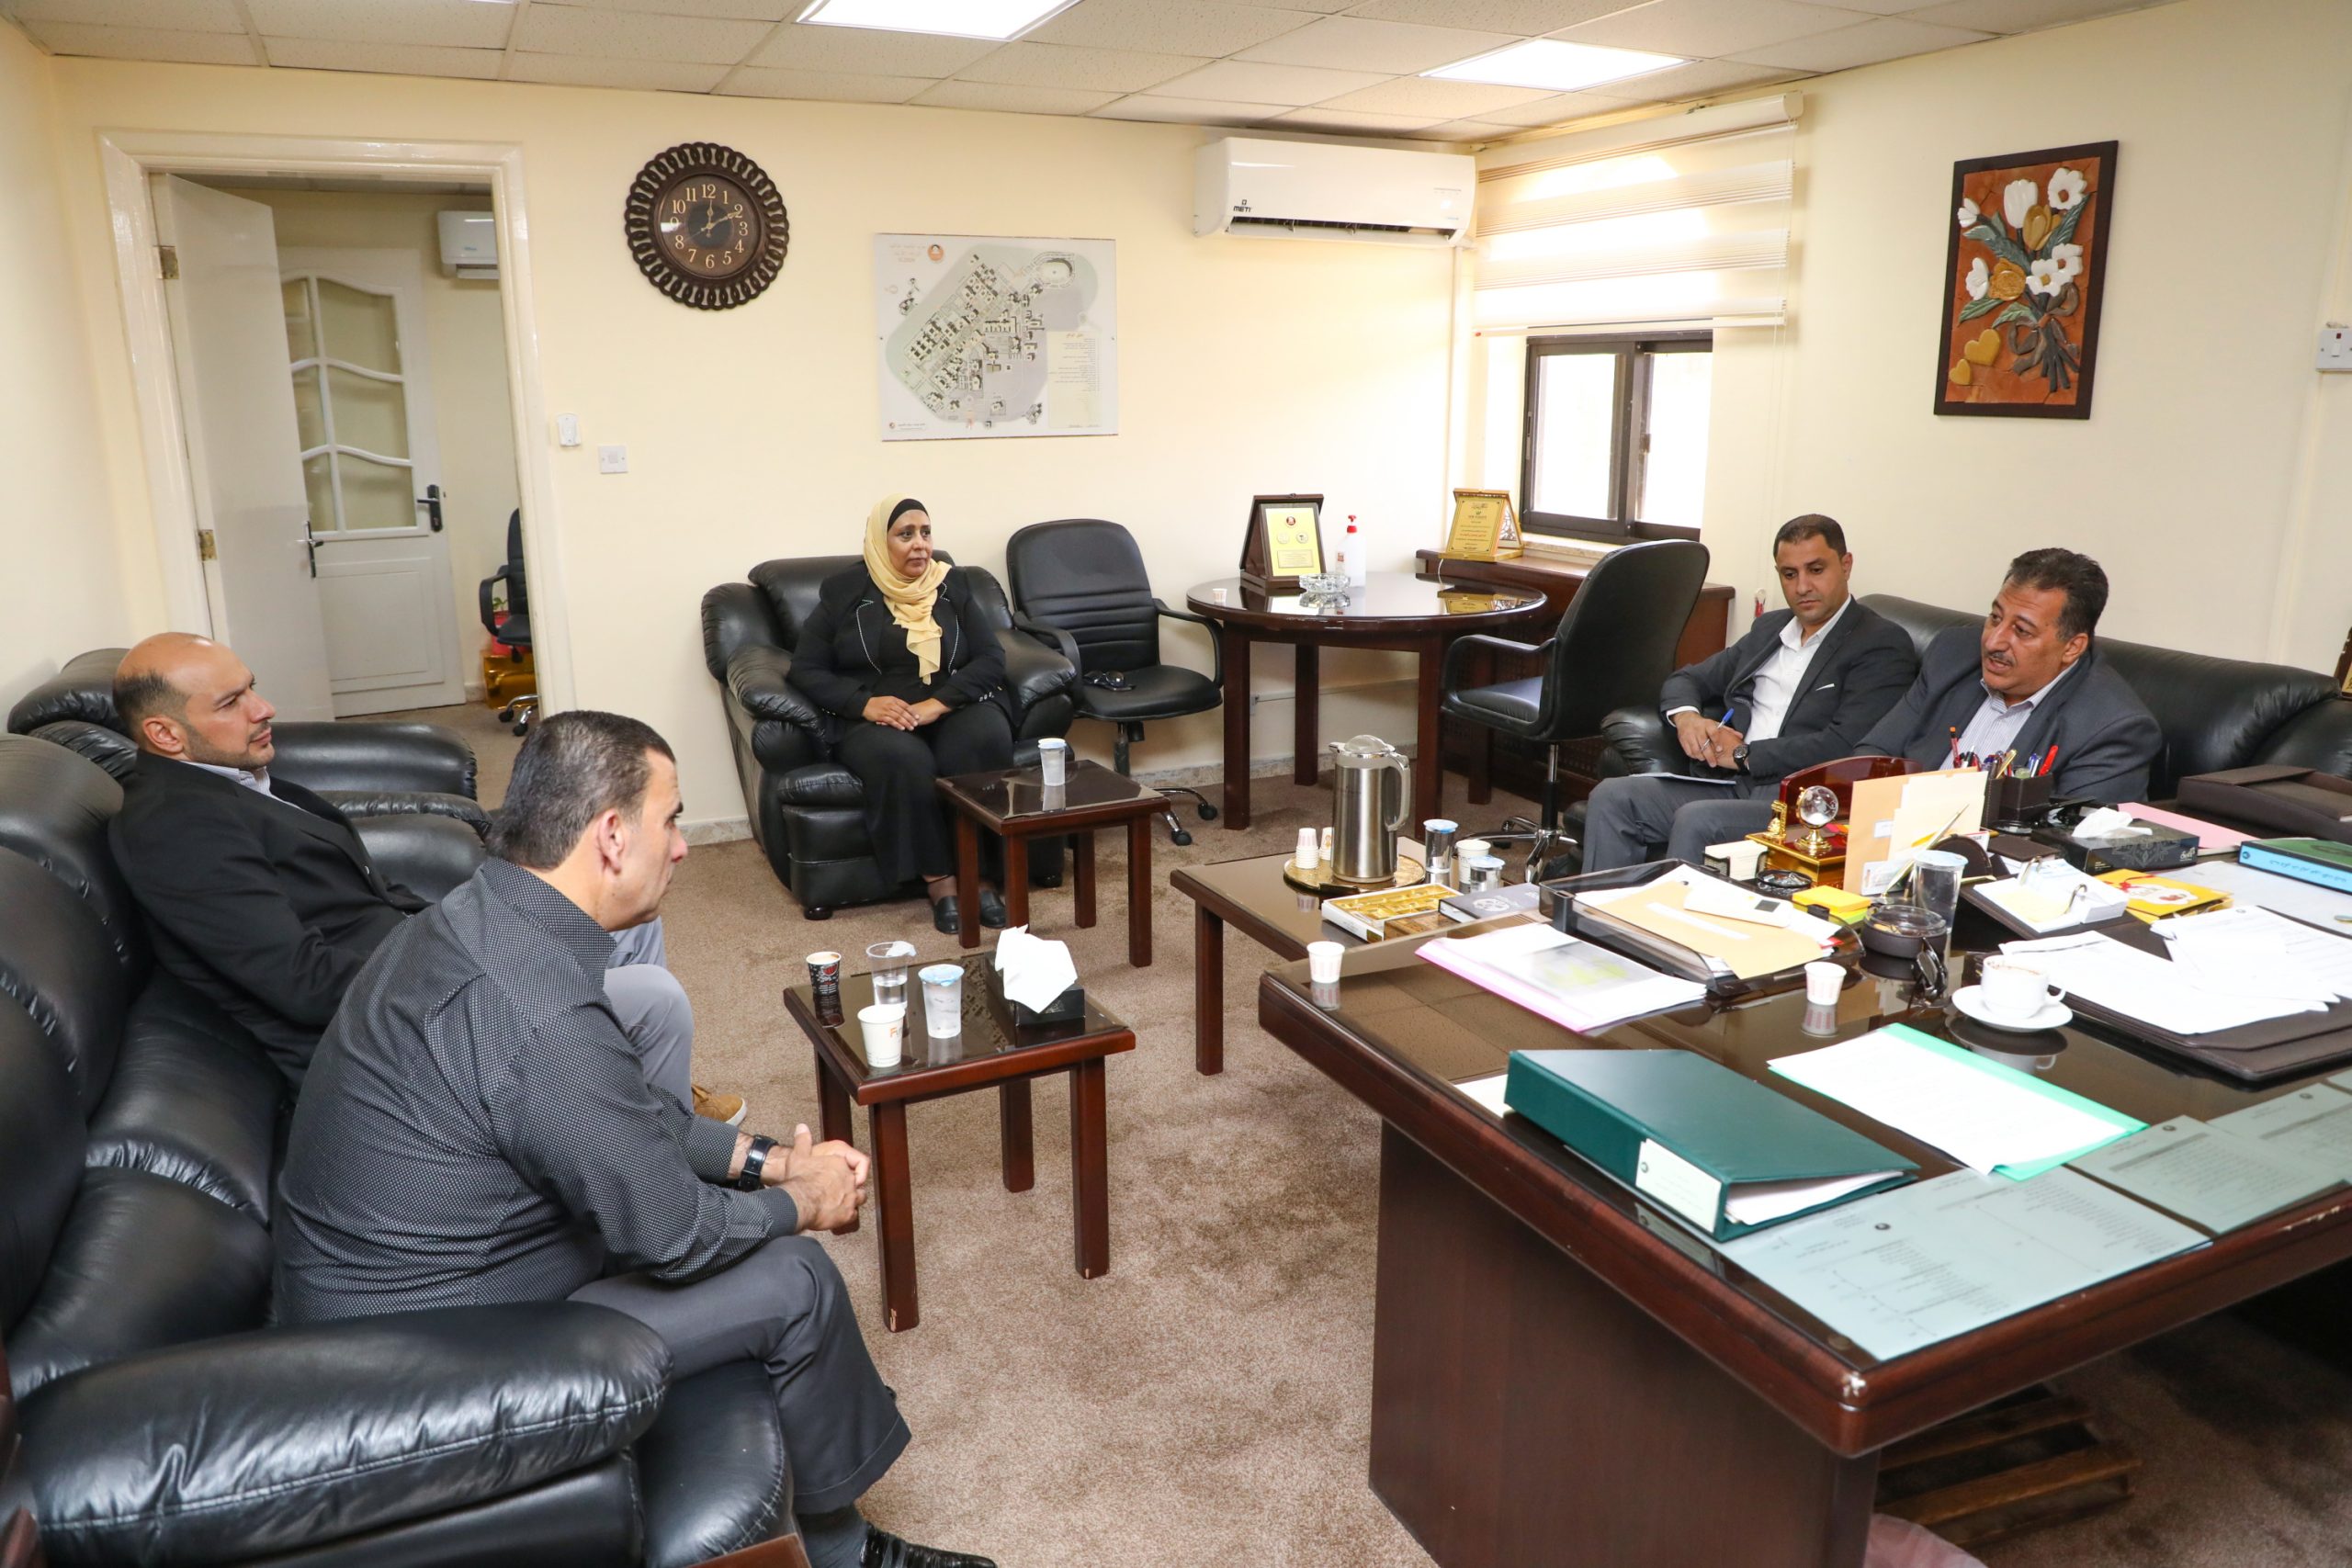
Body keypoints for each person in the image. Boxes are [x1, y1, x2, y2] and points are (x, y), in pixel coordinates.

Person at [274, 712, 994, 1568]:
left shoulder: (482, 915)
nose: (684, 846)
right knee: (796, 1278)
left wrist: (768, 1160)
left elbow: (621, 1110)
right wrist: (805, 1200)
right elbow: (674, 1235)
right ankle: (848, 1554)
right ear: (612, 836)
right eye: (672, 818)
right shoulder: (536, 1007)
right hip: (429, 1359)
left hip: (412, 1302)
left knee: (741, 1231)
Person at [104, 632, 740, 1121]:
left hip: (417, 961)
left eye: (251, 688)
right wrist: (473, 957)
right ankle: (663, 1156)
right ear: (166, 733)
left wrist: (464, 917)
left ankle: (641, 1091)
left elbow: (365, 895)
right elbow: (302, 983)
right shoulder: (176, 829)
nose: (262, 708)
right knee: (654, 996)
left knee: (626, 900)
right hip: (404, 1028)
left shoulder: (233, 781)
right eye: (232, 702)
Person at [1639, 547, 2162, 856]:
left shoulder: (2110, 726)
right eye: (1994, 617)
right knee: (1692, 818)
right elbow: (1871, 754)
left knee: (1701, 822)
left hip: (1966, 866)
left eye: (2022, 631)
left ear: (2072, 646)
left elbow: (2068, 851)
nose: (1996, 641)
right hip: (1872, 829)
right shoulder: (1954, 655)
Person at [1580, 515, 1920, 870]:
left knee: (1697, 820)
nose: (1802, 586)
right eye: (1789, 574)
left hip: (1798, 803)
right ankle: (1600, 906)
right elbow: (1688, 678)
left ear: (1846, 565)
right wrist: (1688, 718)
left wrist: (1744, 755)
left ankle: (1670, 909)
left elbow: (1846, 745)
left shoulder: (1879, 643)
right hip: (1728, 783)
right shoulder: (1770, 629)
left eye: (1816, 570)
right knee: (1613, 796)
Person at [789, 495, 1015, 936]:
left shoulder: (952, 585)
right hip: (877, 716)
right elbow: (805, 669)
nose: (920, 544)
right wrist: (863, 703)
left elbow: (991, 658)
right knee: (904, 758)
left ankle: (981, 875)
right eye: (905, 534)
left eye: (926, 533)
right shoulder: (844, 592)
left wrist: (940, 703)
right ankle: (940, 881)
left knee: (984, 737)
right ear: (880, 540)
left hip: (948, 705)